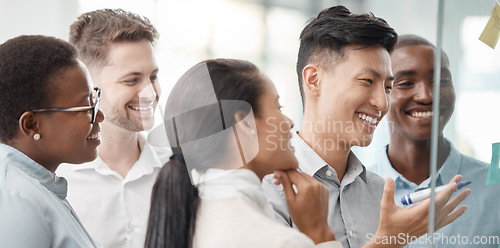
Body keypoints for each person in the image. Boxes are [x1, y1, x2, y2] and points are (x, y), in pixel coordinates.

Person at [262, 5, 470, 248]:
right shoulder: (266, 187)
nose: (382, 103)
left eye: (388, 87)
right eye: (367, 81)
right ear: (314, 80)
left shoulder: (380, 193)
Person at [145, 59, 343, 248]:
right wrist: (320, 234)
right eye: (277, 107)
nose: (289, 122)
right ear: (245, 123)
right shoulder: (279, 241)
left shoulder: (181, 218)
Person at [368, 34, 500, 247]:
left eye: (442, 81)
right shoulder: (354, 190)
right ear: (380, 95)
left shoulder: (495, 187)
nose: (426, 96)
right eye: (406, 82)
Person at [55, 9, 170, 248]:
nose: (150, 93)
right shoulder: (54, 181)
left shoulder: (181, 171)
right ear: (89, 87)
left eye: (154, 76)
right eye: (132, 80)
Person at [0, 35, 103, 247]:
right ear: (32, 125)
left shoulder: (37, 187)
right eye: (86, 108)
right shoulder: (17, 200)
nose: (99, 116)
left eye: (95, 101)